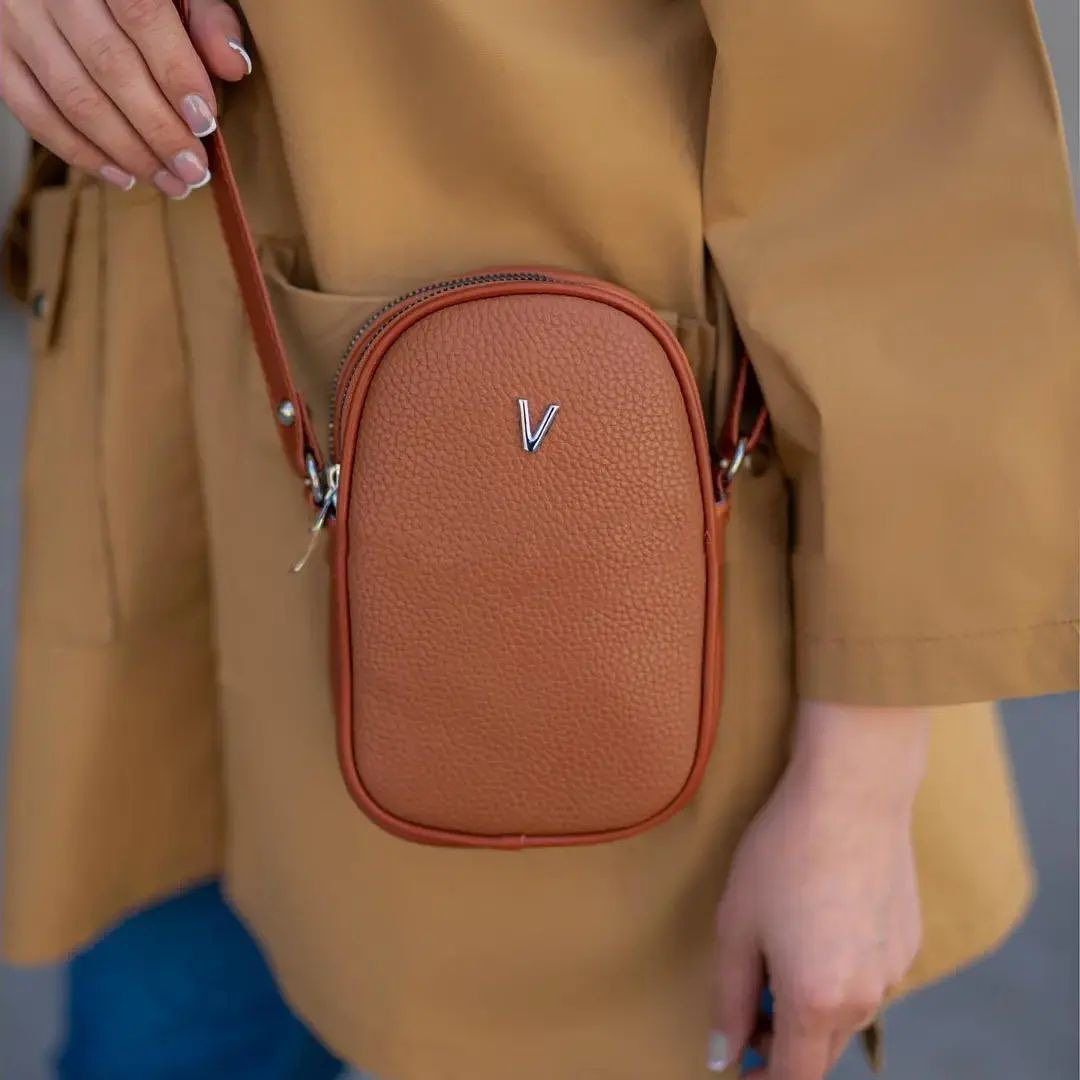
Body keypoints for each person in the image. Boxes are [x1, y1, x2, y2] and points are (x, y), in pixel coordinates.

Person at [0, 1, 1076, 1077]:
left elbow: (895, 142)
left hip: (592, 564)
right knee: (166, 1019)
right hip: (167, 465)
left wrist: (855, 789)